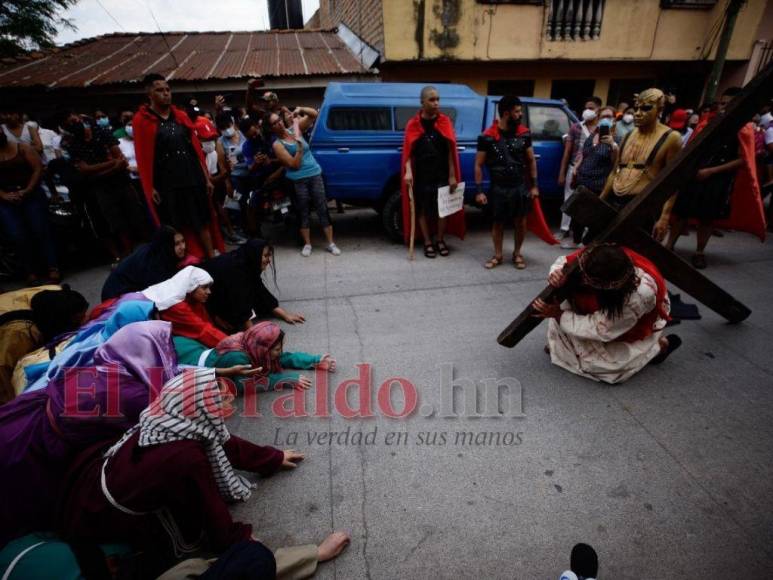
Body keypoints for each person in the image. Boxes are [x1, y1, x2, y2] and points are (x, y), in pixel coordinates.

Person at [57, 368, 349, 579]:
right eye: (220, 399)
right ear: (198, 406)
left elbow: (223, 441)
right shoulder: (184, 456)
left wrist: (271, 458)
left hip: (94, 488)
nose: (229, 403)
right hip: (106, 519)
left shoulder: (169, 417)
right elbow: (211, 507)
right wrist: (240, 541)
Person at [0, 320, 180, 546]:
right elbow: (172, 425)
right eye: (164, 345)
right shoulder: (134, 396)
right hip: (29, 449)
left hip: (20, 418)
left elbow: (166, 373)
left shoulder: (110, 364)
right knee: (17, 502)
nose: (169, 350)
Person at [532, 243, 681, 384]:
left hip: (624, 325)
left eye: (587, 280)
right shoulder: (597, 256)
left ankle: (658, 347)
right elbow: (564, 261)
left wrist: (559, 315)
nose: (582, 279)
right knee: (564, 301)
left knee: (609, 368)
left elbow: (600, 328)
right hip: (596, 309)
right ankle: (564, 347)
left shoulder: (638, 295)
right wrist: (557, 274)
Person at [666, 87, 763, 268]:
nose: (724, 107)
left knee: (707, 217)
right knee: (681, 213)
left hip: (718, 178)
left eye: (729, 103)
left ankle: (699, 252)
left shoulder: (744, 128)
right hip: (695, 174)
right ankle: (669, 246)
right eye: (722, 103)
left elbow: (743, 160)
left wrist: (712, 171)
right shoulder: (706, 123)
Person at [132, 73, 224, 259]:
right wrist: (151, 187)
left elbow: (195, 150)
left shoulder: (181, 116)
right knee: (176, 226)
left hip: (193, 177)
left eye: (167, 89)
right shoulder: (141, 121)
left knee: (201, 222)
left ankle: (211, 260)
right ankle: (185, 263)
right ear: (149, 93)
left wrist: (206, 178)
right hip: (168, 183)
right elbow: (144, 158)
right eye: (160, 90)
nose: (166, 93)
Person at [61, 112, 149, 263]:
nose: (77, 124)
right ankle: (128, 254)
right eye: (71, 123)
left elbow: (121, 161)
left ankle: (148, 248)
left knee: (136, 213)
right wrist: (112, 165)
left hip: (120, 181)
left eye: (77, 120)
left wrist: (99, 170)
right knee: (116, 222)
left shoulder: (102, 133)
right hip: (100, 188)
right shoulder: (74, 144)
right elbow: (85, 170)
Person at [598, 88, 683, 241]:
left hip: (644, 206)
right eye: (636, 108)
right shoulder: (628, 135)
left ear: (660, 110)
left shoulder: (671, 138)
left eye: (645, 108)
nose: (637, 113)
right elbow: (615, 171)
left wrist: (664, 217)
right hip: (615, 200)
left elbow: (674, 180)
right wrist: (601, 200)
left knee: (635, 256)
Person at [474, 95, 548, 269]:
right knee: (497, 222)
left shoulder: (524, 134)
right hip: (498, 187)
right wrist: (479, 190)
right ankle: (498, 255)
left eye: (520, 111)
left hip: (518, 186)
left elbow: (531, 161)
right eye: (517, 111)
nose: (520, 114)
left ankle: (517, 253)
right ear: (506, 113)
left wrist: (535, 186)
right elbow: (478, 164)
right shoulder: (487, 137)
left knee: (520, 222)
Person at [175, 320, 335, 393]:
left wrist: (313, 361)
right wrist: (284, 380)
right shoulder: (238, 358)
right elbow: (243, 384)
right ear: (263, 348)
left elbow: (280, 357)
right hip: (185, 356)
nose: (279, 352)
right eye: (276, 348)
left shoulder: (253, 345)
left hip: (194, 349)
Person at [401, 86, 465, 258]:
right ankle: (428, 241)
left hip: (441, 173)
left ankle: (440, 239)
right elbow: (408, 152)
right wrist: (408, 172)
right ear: (422, 102)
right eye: (431, 100)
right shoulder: (413, 124)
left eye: (438, 99)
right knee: (422, 210)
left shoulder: (445, 122)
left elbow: (451, 151)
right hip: (422, 174)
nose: (436, 103)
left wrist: (452, 175)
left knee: (442, 209)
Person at [268, 108, 341, 257]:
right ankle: (308, 244)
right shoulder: (277, 145)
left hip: (315, 174)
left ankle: (331, 243)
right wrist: (299, 147)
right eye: (274, 123)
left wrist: (300, 109)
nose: (279, 123)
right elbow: (294, 165)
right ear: (271, 128)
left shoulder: (294, 128)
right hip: (297, 180)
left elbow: (313, 114)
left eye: (279, 119)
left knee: (322, 208)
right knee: (303, 211)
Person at [0, 285, 88, 403]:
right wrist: (15, 406)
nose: (85, 322)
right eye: (79, 319)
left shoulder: (56, 294)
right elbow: (3, 370)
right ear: (59, 320)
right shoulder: (20, 334)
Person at [203, 239, 305, 331]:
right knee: (232, 324)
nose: (269, 260)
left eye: (269, 255)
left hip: (217, 291)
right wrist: (254, 335)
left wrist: (285, 315)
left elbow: (260, 291)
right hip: (204, 297)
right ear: (254, 255)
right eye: (265, 256)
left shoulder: (247, 263)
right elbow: (240, 303)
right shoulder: (236, 271)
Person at [0, 127, 60, 284]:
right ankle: (30, 272)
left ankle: (52, 267)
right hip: (7, 198)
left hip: (31, 194)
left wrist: (27, 190)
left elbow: (38, 169)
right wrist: (3, 195)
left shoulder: (22, 148)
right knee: (17, 235)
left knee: (40, 230)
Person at [565, 106, 619, 247]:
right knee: (577, 213)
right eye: (602, 117)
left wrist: (613, 146)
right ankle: (576, 241)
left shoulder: (616, 139)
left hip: (598, 184)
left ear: (614, 119)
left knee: (593, 215)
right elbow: (584, 154)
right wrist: (576, 169)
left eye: (609, 116)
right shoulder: (592, 135)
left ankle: (589, 244)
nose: (605, 119)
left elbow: (616, 163)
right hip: (582, 180)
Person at [142, 265, 228, 347]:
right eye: (204, 287)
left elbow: (206, 323)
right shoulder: (175, 305)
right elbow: (202, 330)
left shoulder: (191, 297)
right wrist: (232, 344)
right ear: (192, 286)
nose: (209, 292)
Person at [102, 225, 193, 301]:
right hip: (115, 296)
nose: (183, 247)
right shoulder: (153, 263)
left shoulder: (160, 253)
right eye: (177, 244)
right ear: (167, 245)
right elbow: (161, 295)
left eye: (183, 241)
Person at [557, 96, 603, 239]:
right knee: (569, 198)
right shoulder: (576, 127)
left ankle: (583, 233)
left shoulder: (603, 129)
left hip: (593, 172)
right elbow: (567, 152)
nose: (587, 111)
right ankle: (564, 229)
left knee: (588, 201)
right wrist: (562, 173)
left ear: (598, 110)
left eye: (591, 108)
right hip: (574, 168)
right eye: (586, 108)